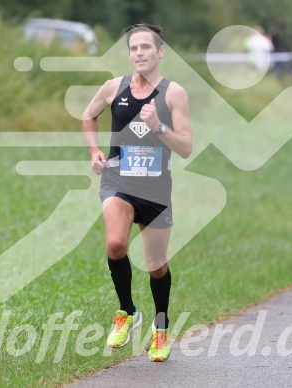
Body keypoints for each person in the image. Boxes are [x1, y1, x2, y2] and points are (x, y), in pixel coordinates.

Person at [82, 23, 193, 362]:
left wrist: (159, 126)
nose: (140, 53)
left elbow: (186, 147)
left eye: (147, 47)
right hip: (118, 182)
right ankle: (127, 312)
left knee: (155, 264)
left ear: (160, 52)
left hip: (156, 189)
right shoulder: (114, 87)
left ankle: (161, 329)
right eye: (134, 48)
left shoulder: (174, 93)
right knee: (115, 243)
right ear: (128, 54)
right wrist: (94, 152)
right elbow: (88, 116)